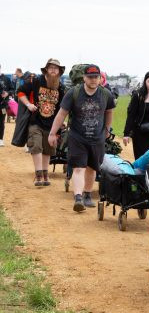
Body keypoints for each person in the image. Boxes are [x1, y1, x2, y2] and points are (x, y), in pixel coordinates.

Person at [49, 64, 115, 212]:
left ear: (100, 78)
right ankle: (78, 197)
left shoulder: (106, 94)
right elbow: (61, 113)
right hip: (77, 137)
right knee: (79, 168)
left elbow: (109, 111)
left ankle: (87, 194)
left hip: (97, 138)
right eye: (90, 77)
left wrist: (107, 129)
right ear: (84, 78)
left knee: (92, 168)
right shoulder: (74, 92)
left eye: (96, 77)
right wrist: (53, 133)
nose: (93, 80)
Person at [17, 59, 66, 184]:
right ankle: (38, 175)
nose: (53, 70)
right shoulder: (36, 81)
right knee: (36, 146)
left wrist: (62, 121)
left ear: (59, 71)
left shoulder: (61, 87)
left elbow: (63, 107)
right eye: (51, 67)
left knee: (48, 149)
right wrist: (28, 104)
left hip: (52, 124)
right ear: (46, 70)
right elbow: (21, 92)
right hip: (36, 120)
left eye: (56, 68)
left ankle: (45, 174)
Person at [123, 71, 149, 159]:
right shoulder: (138, 95)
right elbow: (131, 115)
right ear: (145, 82)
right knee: (141, 158)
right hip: (140, 133)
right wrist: (126, 134)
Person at [0, 65, 14, 147]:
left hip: (3, 106)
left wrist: (7, 93)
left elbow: (12, 89)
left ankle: (0, 139)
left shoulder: (6, 79)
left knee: (1, 122)